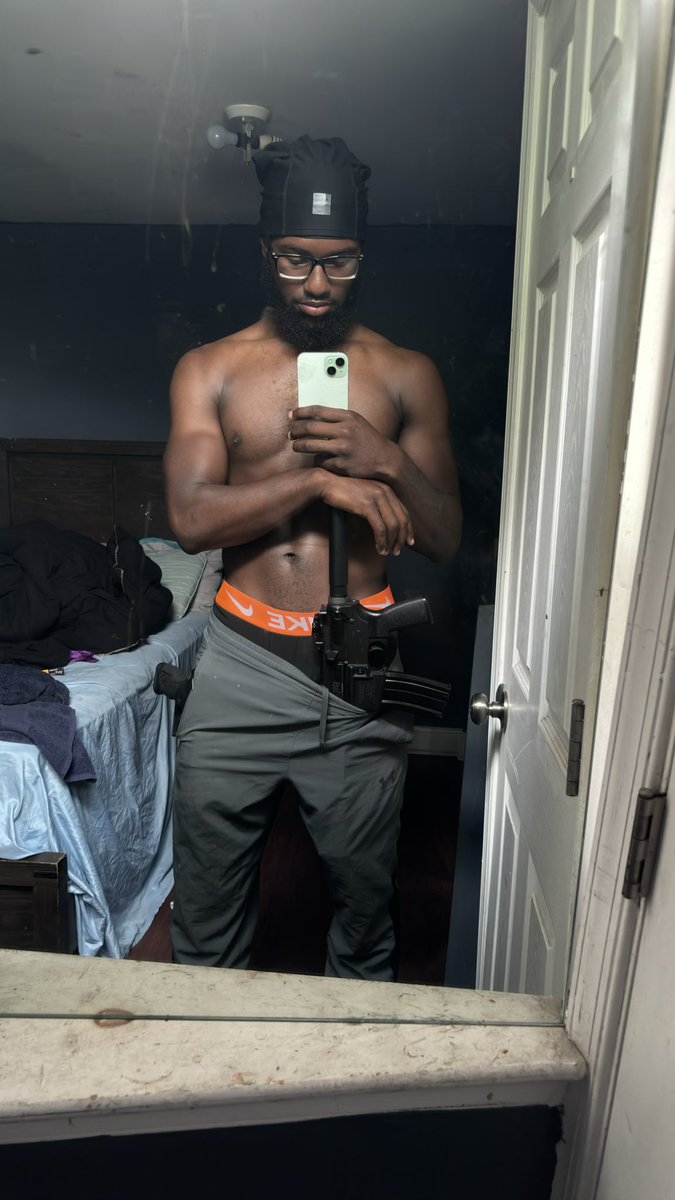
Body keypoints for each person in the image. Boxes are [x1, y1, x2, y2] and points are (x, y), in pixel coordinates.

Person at [164, 135, 462, 980]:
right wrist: (317, 483)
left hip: (360, 668)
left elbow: (443, 535)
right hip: (238, 667)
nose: (319, 284)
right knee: (206, 910)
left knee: (364, 914)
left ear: (360, 257)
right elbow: (190, 520)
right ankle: (201, 1054)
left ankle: (349, 1059)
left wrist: (385, 458)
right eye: (296, 259)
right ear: (266, 252)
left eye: (339, 261)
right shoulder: (211, 369)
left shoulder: (404, 374)